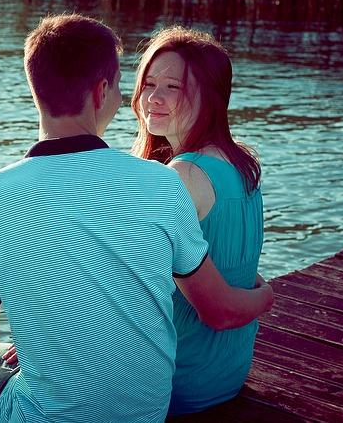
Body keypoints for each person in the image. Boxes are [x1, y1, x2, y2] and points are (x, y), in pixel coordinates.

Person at [0, 15, 273, 423]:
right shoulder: (163, 184)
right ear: (102, 91)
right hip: (147, 411)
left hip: (57, 412)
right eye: (130, 85)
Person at [131, 26, 267, 416]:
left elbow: (127, 287)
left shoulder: (182, 176)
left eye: (172, 87)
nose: (152, 99)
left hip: (174, 382)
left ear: (209, 96)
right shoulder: (242, 162)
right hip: (226, 372)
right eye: (149, 83)